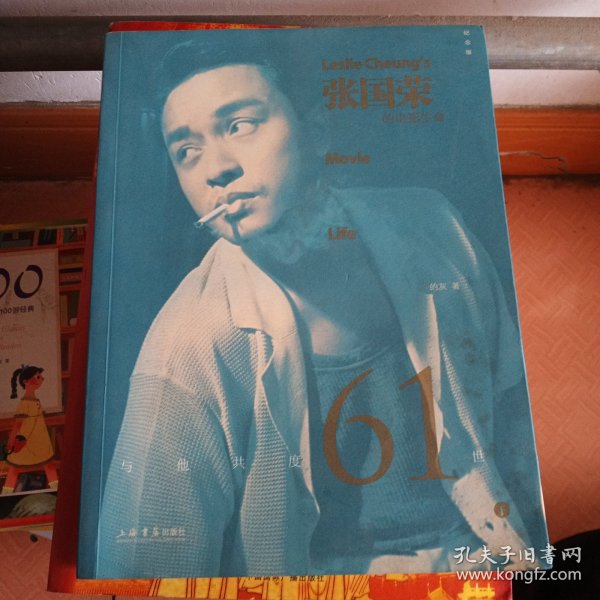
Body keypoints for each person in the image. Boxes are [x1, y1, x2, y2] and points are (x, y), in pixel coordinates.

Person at [98, 41, 539, 578]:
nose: (216, 169)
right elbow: (144, 571)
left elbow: (515, 419)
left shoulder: (432, 228)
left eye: (239, 125)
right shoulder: (188, 343)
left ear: (316, 131)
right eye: (187, 151)